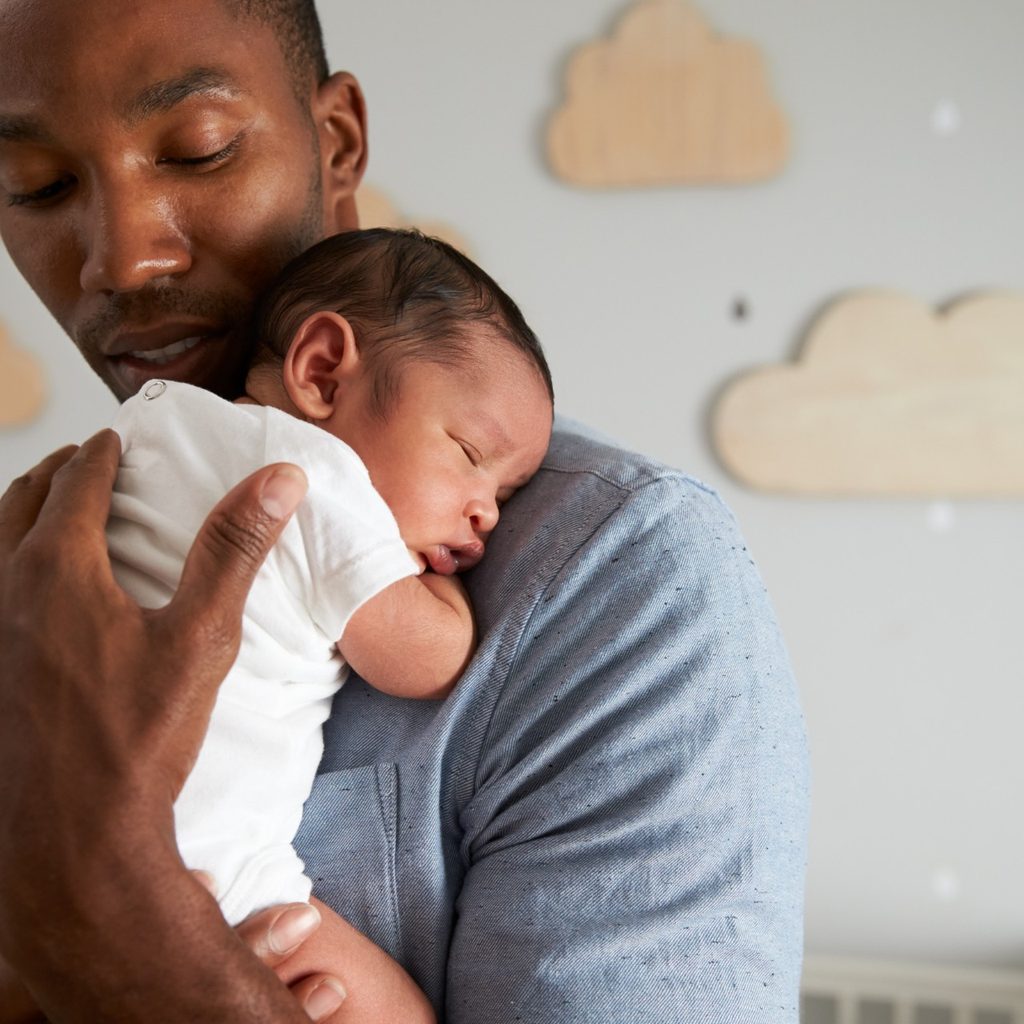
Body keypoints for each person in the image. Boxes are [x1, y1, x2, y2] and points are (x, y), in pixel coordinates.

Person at [0, 1, 810, 1022]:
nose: (121, 260)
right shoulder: (50, 539)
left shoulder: (621, 579)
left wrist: (117, 935)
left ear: (336, 142)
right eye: (36, 185)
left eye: (198, 151)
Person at [0, 226, 553, 1023]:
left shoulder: (145, 429)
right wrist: (444, 590)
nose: (487, 513)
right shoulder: (317, 478)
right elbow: (427, 660)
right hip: (206, 869)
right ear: (322, 370)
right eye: (470, 453)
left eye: (504, 494)